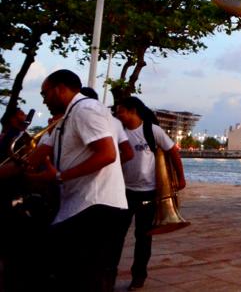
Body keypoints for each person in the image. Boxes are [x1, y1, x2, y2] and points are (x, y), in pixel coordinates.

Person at [25, 69, 129, 292]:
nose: (43, 101)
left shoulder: (86, 109)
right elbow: (31, 159)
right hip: (79, 207)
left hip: (95, 207)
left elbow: (108, 154)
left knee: (79, 278)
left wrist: (60, 176)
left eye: (45, 94)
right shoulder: (68, 117)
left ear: (60, 88)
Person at [114, 96, 186, 290]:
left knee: (143, 237)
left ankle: (139, 276)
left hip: (148, 193)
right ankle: (109, 274)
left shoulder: (152, 131)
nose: (117, 114)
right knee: (116, 235)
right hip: (123, 192)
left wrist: (181, 178)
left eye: (120, 110)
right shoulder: (118, 132)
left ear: (132, 111)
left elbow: (173, 152)